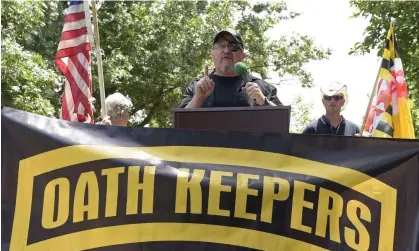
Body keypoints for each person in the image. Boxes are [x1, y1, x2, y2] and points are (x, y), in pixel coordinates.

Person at [179, 29, 282, 108]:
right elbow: (180, 124)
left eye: (233, 46)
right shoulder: (196, 87)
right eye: (220, 46)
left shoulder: (263, 88)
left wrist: (263, 102)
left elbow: (281, 123)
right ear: (212, 54)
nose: (227, 50)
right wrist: (198, 98)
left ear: (243, 55)